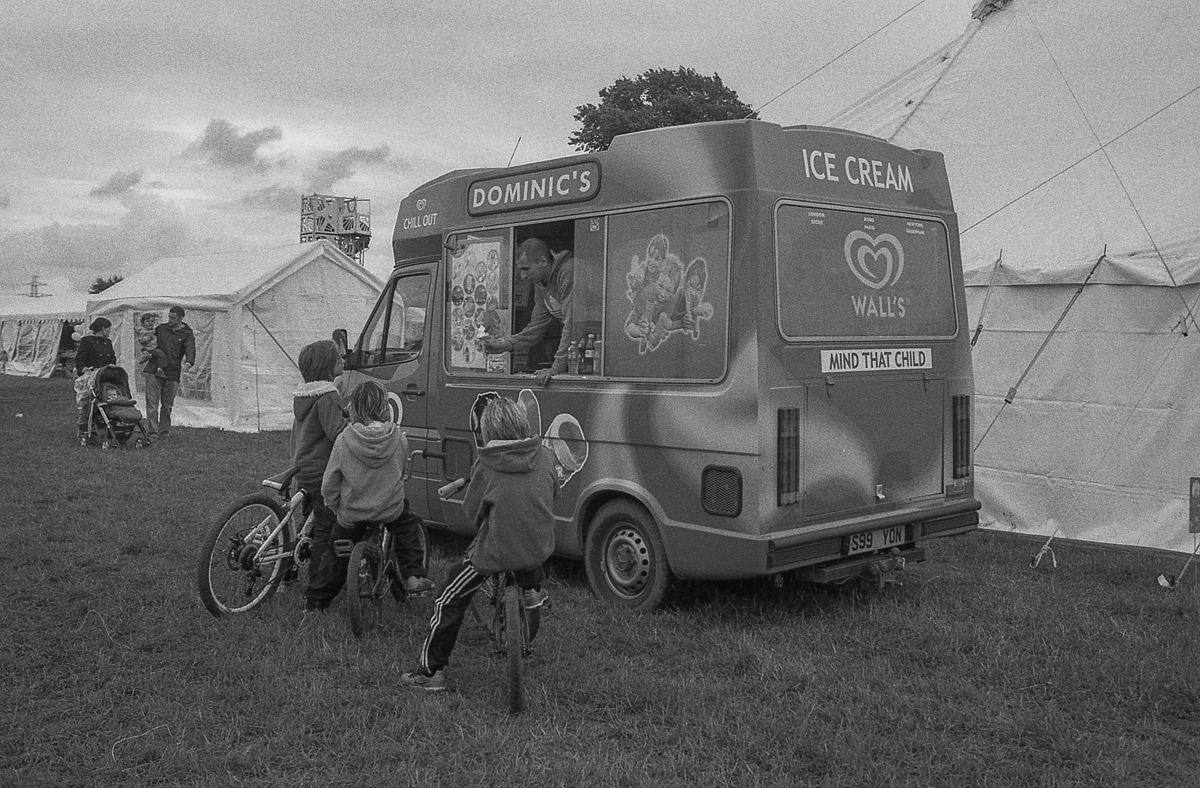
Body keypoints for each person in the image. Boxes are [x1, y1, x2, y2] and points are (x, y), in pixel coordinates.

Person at [401, 396, 559, 692]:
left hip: (495, 553)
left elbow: (473, 513)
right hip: (540, 548)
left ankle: (431, 672)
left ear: (487, 430)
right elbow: (554, 493)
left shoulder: (486, 465)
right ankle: (532, 588)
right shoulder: (546, 456)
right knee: (527, 542)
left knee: (448, 598)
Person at [310, 380, 434, 603]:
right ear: (385, 406)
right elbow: (401, 470)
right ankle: (413, 576)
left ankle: (317, 601)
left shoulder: (344, 440)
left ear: (354, 407)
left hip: (352, 511)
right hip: (389, 508)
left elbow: (330, 481)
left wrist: (333, 503)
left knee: (334, 555)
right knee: (408, 531)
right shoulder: (398, 438)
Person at [291, 340, 349, 612]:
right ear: (328, 366)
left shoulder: (305, 395)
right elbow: (336, 432)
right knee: (326, 530)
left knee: (310, 525)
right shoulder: (329, 396)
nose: (343, 358)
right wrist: (356, 428)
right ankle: (317, 590)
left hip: (304, 468)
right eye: (338, 356)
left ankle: (290, 570)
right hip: (323, 471)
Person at [481, 238, 574, 386]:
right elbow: (537, 326)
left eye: (526, 269)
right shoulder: (540, 283)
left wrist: (556, 368)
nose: (523, 275)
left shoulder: (568, 272)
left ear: (543, 261)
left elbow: (573, 324)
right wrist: (506, 344)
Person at [143, 305, 195, 439]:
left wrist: (189, 362)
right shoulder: (161, 329)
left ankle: (164, 432)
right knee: (152, 403)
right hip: (154, 370)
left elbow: (190, 348)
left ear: (181, 318)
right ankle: (152, 432)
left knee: (167, 405)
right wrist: (145, 350)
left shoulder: (187, 333)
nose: (170, 320)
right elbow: (148, 339)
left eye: (173, 318)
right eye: (169, 317)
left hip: (172, 372)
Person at [74, 318, 117, 439]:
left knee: (106, 401)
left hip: (105, 376)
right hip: (91, 376)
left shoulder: (107, 342)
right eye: (108, 328)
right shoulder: (87, 341)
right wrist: (83, 369)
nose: (109, 331)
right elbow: (80, 358)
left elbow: (112, 357)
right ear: (103, 329)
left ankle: (105, 426)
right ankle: (85, 428)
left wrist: (113, 366)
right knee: (89, 403)